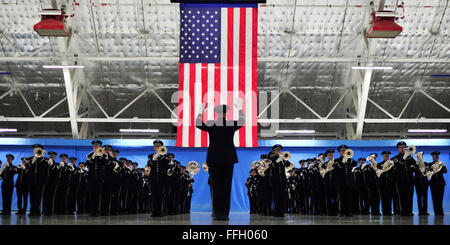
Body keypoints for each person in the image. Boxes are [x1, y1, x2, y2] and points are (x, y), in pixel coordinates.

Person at [195, 103, 244, 220]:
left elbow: (198, 124)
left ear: (215, 113)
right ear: (226, 113)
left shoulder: (212, 124)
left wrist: (200, 112)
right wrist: (240, 109)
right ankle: (225, 214)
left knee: (216, 187)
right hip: (228, 159)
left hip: (214, 158)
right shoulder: (231, 124)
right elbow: (241, 121)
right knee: (226, 187)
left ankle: (217, 214)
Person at [146, 139, 170, 217]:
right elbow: (149, 165)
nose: (156, 147)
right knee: (154, 195)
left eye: (158, 146)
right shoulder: (150, 156)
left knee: (161, 195)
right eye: (155, 146)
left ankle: (160, 211)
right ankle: (154, 212)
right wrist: (154, 158)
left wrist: (161, 156)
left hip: (162, 179)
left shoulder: (165, 156)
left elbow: (168, 165)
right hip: (153, 178)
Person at [391, 141, 415, 216]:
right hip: (400, 180)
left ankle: (409, 211)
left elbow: (415, 167)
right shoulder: (395, 158)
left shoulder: (410, 157)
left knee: (410, 196)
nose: (402, 149)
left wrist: (410, 158)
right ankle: (403, 211)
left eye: (403, 147)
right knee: (401, 196)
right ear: (398, 149)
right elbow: (397, 166)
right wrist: (404, 158)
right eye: (400, 147)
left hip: (410, 180)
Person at [267, 144, 291, 217]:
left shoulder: (282, 158)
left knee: (282, 197)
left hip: (282, 181)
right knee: (276, 197)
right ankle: (276, 212)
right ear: (274, 151)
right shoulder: (271, 158)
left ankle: (281, 212)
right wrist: (277, 160)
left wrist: (283, 159)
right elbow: (271, 166)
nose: (279, 151)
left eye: (280, 150)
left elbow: (288, 165)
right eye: (277, 150)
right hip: (275, 181)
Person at [26, 144, 49, 216]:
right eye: (35, 149)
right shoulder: (30, 159)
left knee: (38, 197)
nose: (36, 150)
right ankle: (32, 211)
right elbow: (27, 167)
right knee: (32, 197)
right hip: (31, 181)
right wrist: (32, 162)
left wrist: (41, 158)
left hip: (40, 181)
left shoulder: (45, 160)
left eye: (38, 149)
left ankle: (37, 211)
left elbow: (46, 168)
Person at [334, 144, 357, 217]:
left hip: (349, 182)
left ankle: (349, 212)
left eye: (344, 151)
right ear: (339, 152)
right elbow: (338, 167)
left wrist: (348, 159)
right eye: (341, 151)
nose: (343, 152)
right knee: (341, 198)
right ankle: (341, 212)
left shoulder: (350, 159)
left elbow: (355, 164)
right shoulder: (337, 160)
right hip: (341, 182)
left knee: (349, 198)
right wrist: (343, 161)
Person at [86, 140, 107, 217]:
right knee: (92, 194)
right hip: (91, 176)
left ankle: (99, 210)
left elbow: (104, 162)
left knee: (100, 194)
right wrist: (93, 156)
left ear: (100, 146)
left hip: (100, 176)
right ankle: (93, 211)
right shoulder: (89, 155)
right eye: (94, 145)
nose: (96, 146)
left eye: (97, 145)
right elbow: (88, 163)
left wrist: (99, 155)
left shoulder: (104, 154)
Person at [426, 151, 447, 216]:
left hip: (441, 183)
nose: (436, 158)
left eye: (437, 157)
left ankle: (441, 212)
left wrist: (442, 166)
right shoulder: (430, 164)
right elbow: (428, 173)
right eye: (435, 157)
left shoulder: (441, 164)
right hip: (433, 183)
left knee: (440, 198)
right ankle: (436, 212)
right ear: (433, 157)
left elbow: (445, 171)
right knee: (434, 198)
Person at [376, 151, 394, 216]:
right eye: (385, 156)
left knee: (389, 198)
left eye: (388, 156)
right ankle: (384, 212)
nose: (386, 157)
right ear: (383, 156)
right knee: (383, 198)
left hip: (390, 183)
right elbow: (377, 175)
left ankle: (389, 211)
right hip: (382, 184)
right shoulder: (379, 164)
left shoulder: (392, 164)